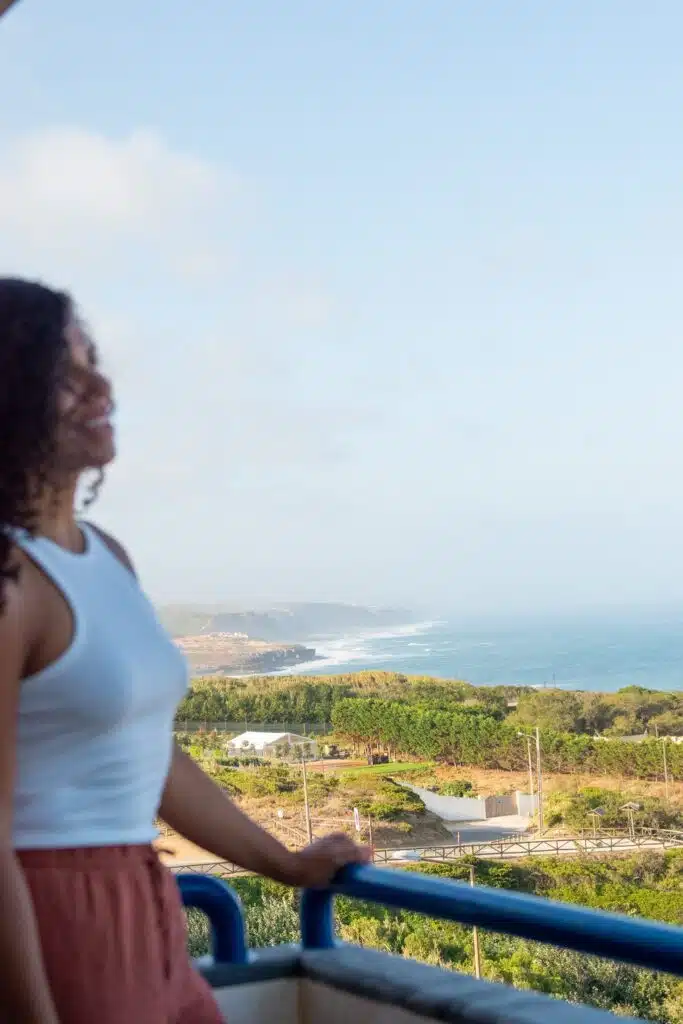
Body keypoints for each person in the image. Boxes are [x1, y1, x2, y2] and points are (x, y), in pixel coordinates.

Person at [0, 277, 370, 1024]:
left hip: (146, 902)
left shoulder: (106, 556)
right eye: (60, 374)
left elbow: (149, 754)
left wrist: (289, 866)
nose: (100, 385)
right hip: (55, 912)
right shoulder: (10, 581)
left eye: (93, 361)